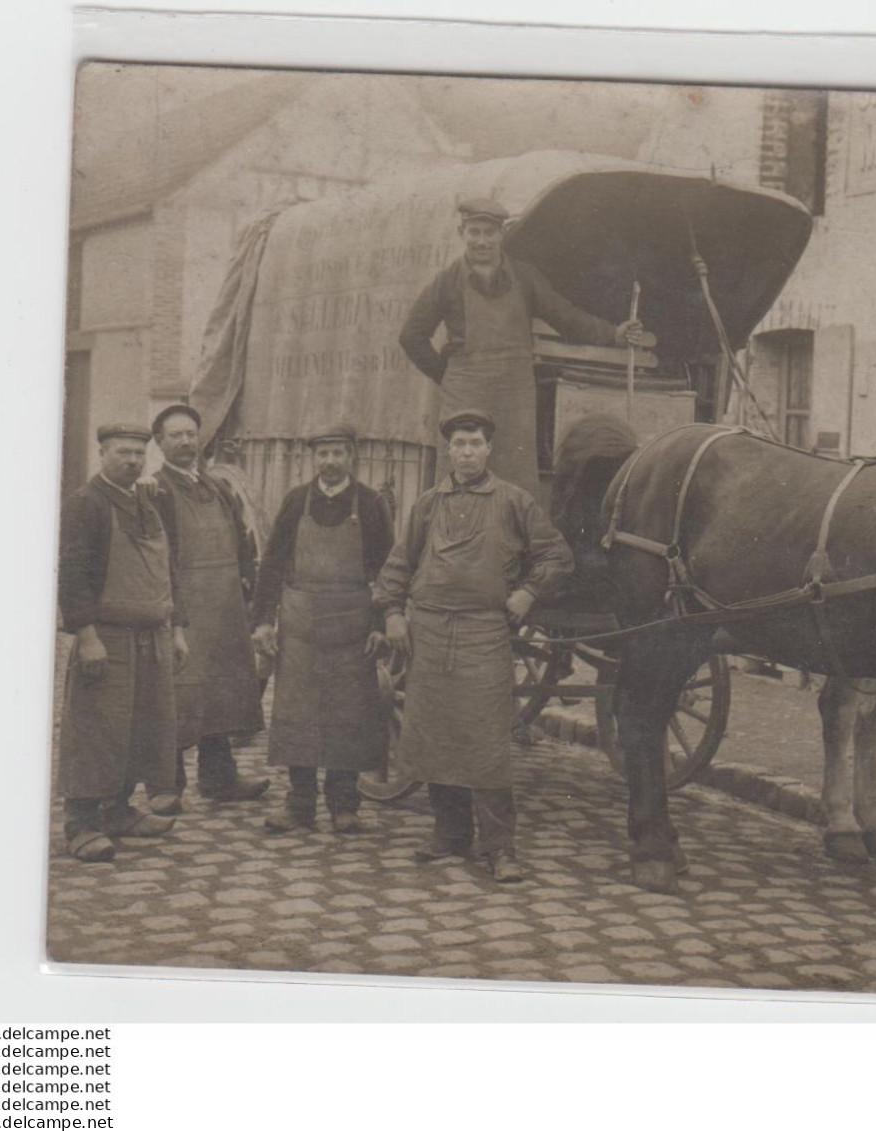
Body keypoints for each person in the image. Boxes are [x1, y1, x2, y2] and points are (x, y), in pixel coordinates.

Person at [373, 408, 574, 882]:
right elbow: (399, 563)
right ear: (449, 450)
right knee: (434, 733)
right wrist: (393, 612)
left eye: (475, 444)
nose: (467, 453)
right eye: (459, 444)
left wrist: (529, 592)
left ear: (489, 449)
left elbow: (557, 555)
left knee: (485, 740)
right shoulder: (428, 504)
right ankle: (450, 834)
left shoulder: (514, 501)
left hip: (484, 631)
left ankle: (500, 847)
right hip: (429, 630)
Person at [397, 193, 650, 491]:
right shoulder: (447, 281)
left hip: (514, 393)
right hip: (465, 393)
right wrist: (447, 375)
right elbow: (411, 335)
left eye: (489, 233)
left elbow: (565, 316)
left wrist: (613, 334)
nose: (481, 241)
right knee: (462, 473)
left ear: (501, 234)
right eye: (474, 232)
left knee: (515, 478)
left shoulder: (524, 276)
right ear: (461, 233)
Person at [250, 423, 395, 834]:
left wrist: (381, 624)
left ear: (351, 457)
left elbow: (388, 570)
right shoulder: (296, 500)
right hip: (300, 624)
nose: (330, 461)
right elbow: (271, 563)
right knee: (297, 713)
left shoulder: (371, 503)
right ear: (313, 458)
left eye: (338, 453)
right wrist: (263, 621)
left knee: (348, 714)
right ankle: (299, 803)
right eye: (323, 454)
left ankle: (344, 804)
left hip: (352, 625)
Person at [55, 423, 188, 862]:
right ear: (102, 454)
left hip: (153, 634)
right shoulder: (86, 503)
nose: (132, 461)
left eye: (138, 454)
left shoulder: (149, 501)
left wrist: (177, 628)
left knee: (141, 727)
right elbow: (72, 576)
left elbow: (169, 570)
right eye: (122, 453)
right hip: (107, 636)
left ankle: (118, 811)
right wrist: (87, 636)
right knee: (97, 729)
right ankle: (81, 824)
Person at [149, 405, 269, 812]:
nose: (186, 442)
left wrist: (249, 592)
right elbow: (157, 557)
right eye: (176, 435)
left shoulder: (217, 487)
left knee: (221, 692)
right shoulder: (156, 491)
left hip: (224, 607)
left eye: (191, 434)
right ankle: (167, 786)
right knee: (178, 695)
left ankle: (220, 778)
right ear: (160, 443)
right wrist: (172, 611)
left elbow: (243, 544)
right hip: (184, 608)